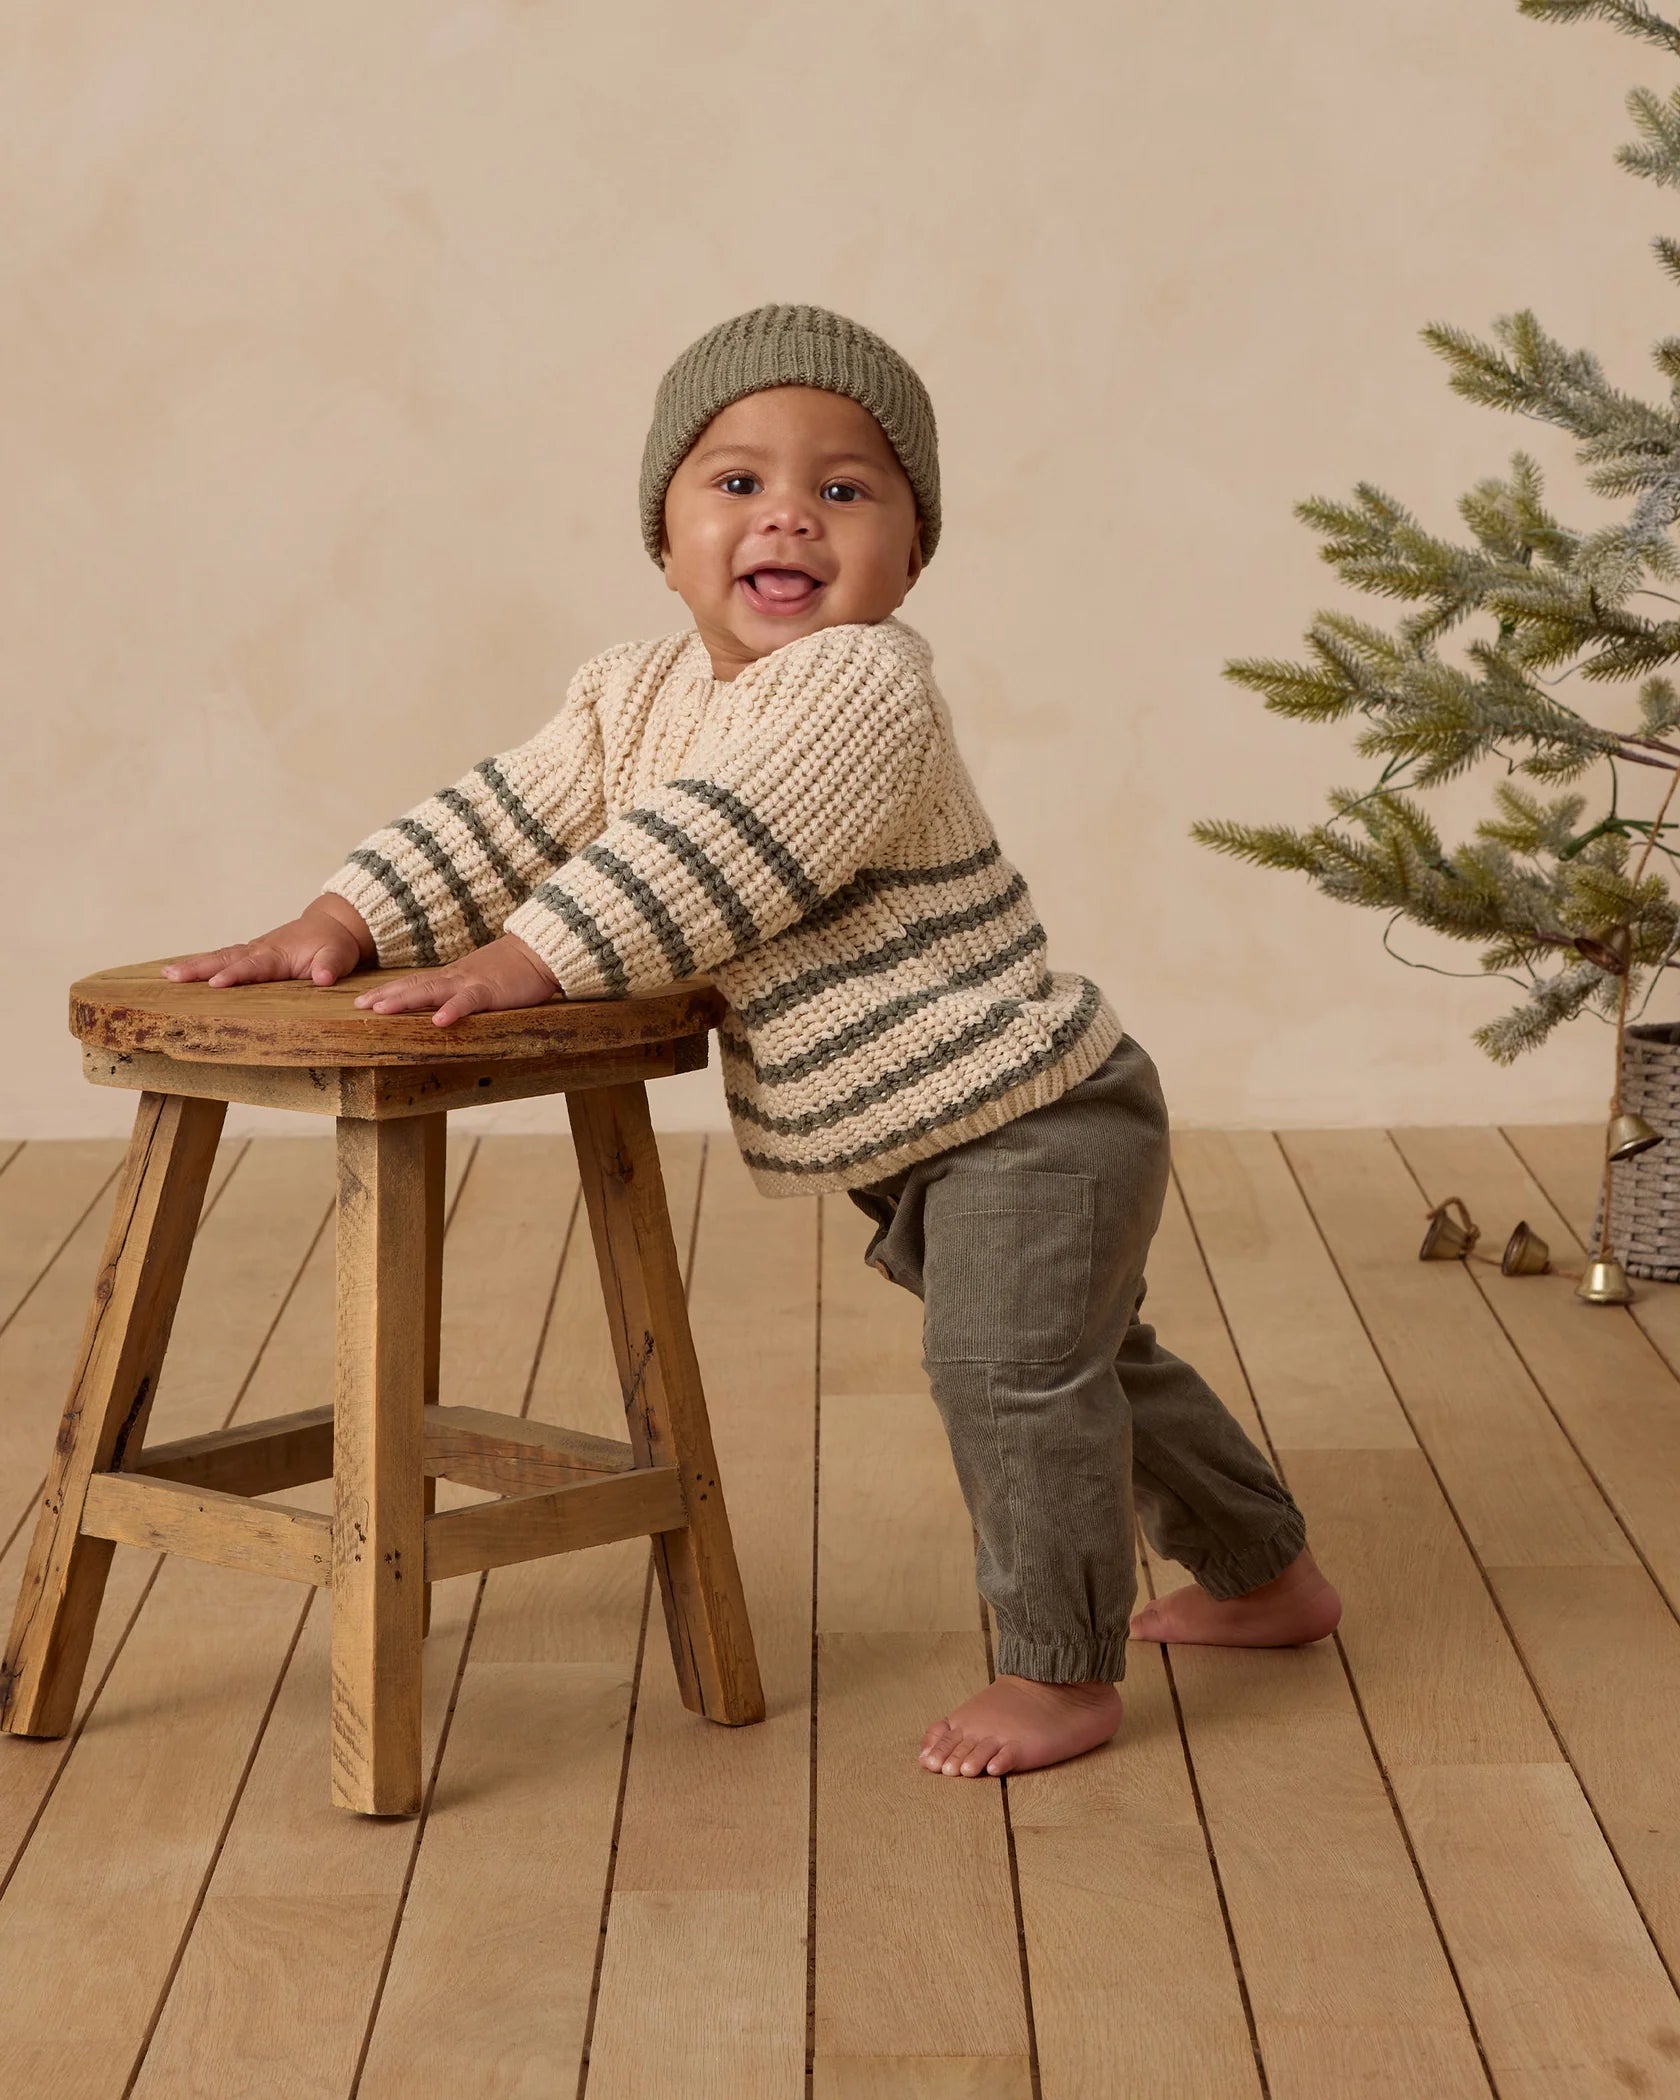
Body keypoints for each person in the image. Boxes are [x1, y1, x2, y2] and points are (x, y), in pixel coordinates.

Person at [162, 302, 1342, 1779]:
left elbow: (719, 845)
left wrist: (530, 960)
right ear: (663, 538)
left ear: (913, 552)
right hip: (933, 1130)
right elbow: (501, 814)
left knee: (1009, 1375)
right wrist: (342, 916)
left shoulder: (863, 686)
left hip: (1031, 1111)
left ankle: (1058, 1672)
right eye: (737, 482)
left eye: (845, 489)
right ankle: (1266, 1575)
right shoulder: (633, 691)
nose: (790, 515)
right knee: (1091, 1358)